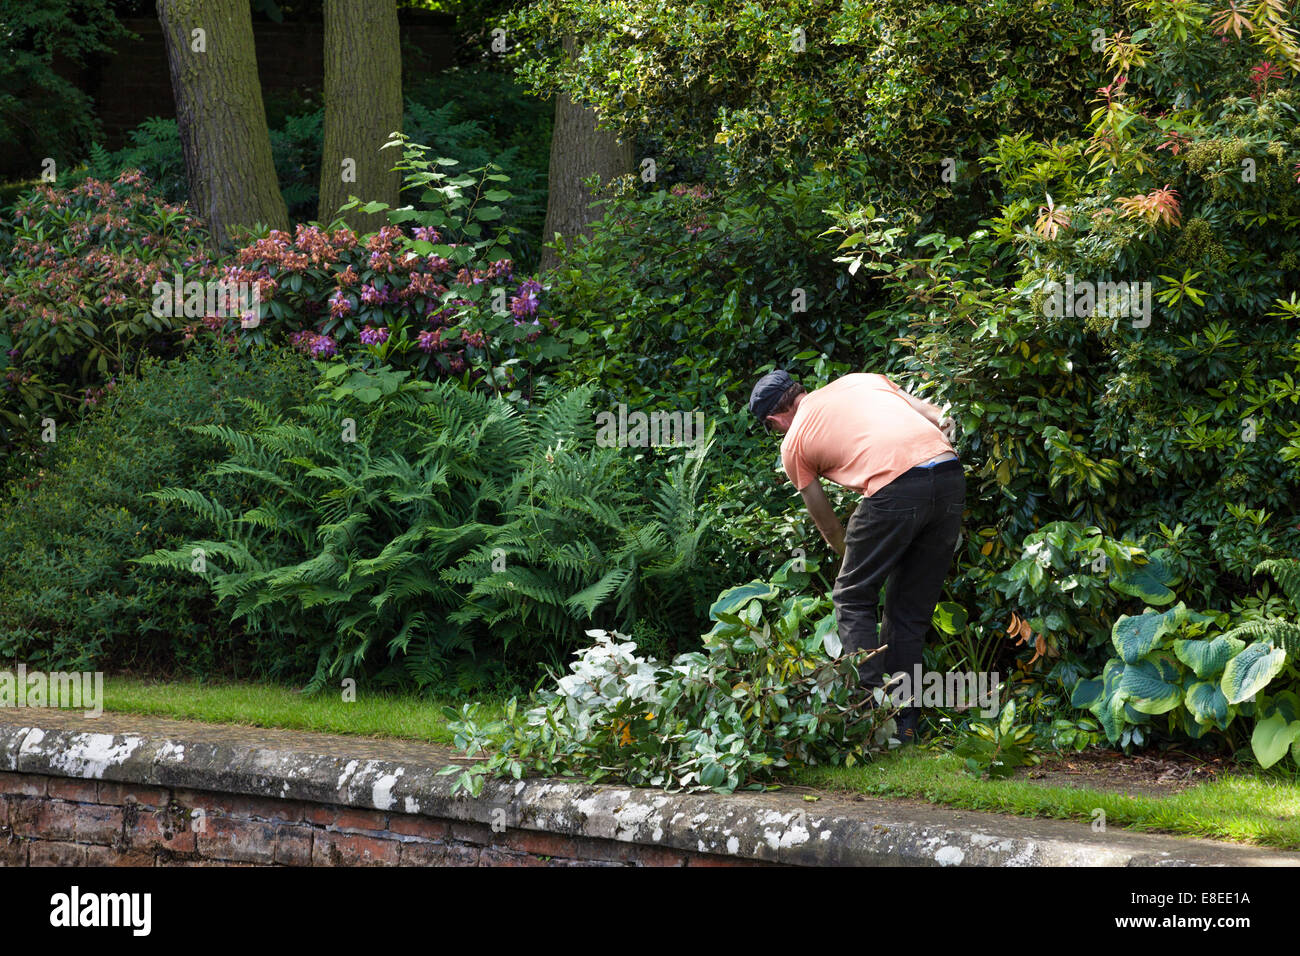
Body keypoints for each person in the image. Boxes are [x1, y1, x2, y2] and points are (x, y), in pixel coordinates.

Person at [748, 369, 965, 742]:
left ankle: (872, 719)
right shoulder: (861, 380)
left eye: (772, 428)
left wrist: (853, 559)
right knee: (908, 611)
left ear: (774, 419)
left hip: (893, 489)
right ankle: (905, 726)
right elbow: (939, 415)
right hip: (949, 474)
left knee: (852, 596)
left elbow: (829, 526)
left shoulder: (794, 443)